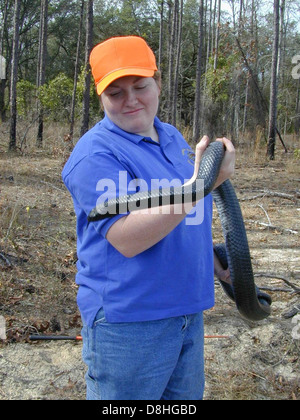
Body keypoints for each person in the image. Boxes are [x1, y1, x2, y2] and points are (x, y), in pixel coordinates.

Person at [62, 35, 235, 400]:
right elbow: (128, 237)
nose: (131, 100)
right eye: (116, 93)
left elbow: (181, 217)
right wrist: (200, 186)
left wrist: (215, 261)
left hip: (187, 310)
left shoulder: (171, 137)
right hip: (129, 323)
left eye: (140, 86)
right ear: (100, 97)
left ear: (158, 83)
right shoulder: (95, 156)